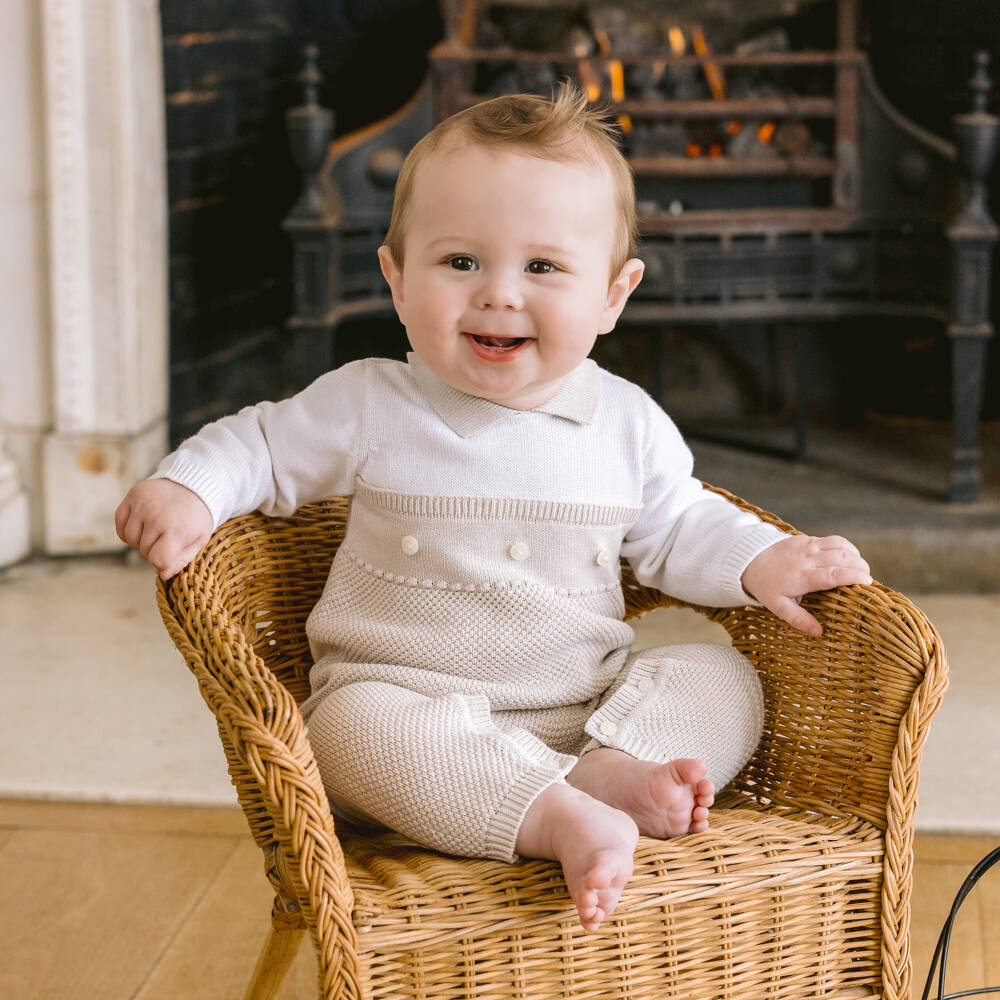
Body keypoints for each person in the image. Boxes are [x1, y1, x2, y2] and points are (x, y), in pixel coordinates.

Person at [115, 84, 872, 933]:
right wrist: (189, 486)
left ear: (614, 295)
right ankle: (552, 817)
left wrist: (760, 559)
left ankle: (611, 775)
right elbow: (258, 445)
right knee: (345, 732)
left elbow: (680, 523)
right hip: (406, 707)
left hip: (584, 712)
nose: (500, 294)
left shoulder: (624, 421)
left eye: (542, 267)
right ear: (397, 280)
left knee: (721, 674)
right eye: (461, 262)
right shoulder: (372, 403)